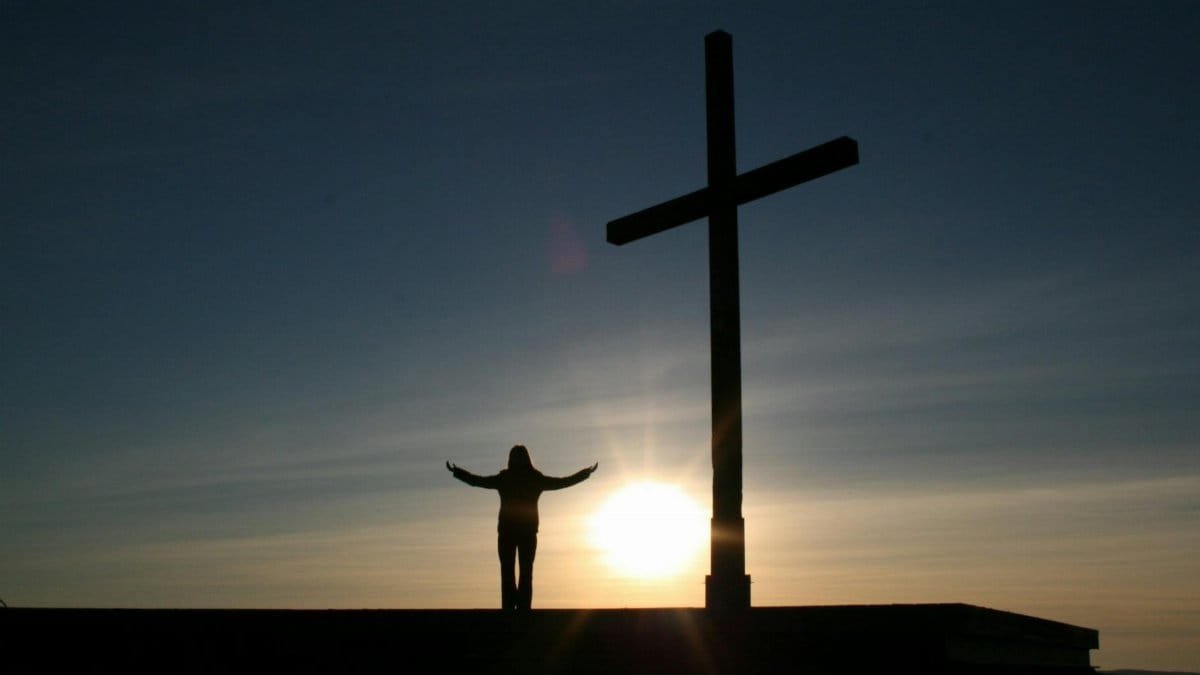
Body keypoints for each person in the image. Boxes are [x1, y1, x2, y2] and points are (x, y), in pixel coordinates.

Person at [447, 445, 598, 610]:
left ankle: (513, 610)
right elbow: (562, 482)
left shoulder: (510, 478)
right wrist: (585, 474)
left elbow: (479, 481)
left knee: (512, 573)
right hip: (520, 532)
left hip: (511, 532)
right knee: (521, 573)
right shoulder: (530, 478)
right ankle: (521, 610)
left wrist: (585, 474)